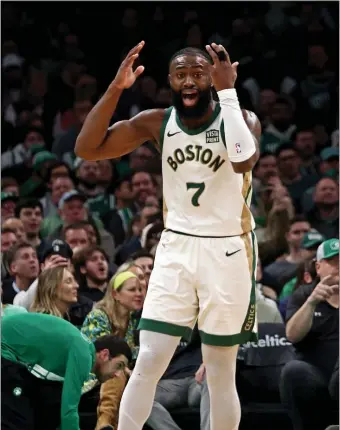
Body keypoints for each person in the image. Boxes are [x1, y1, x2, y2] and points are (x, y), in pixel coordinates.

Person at [75, 41, 261, 430]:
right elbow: (88, 148)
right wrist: (115, 89)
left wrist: (228, 91)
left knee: (220, 371)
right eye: (181, 75)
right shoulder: (157, 122)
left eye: (199, 73)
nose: (190, 81)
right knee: (147, 362)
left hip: (227, 249)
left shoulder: (242, 117)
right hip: (176, 246)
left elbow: (243, 158)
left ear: (212, 77)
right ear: (170, 81)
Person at [2, 312, 132, 430]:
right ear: (104, 354)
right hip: (4, 349)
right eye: (119, 365)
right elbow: (69, 411)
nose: (118, 374)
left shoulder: (81, 348)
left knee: (51, 410)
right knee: (19, 421)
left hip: (11, 350)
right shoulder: (84, 356)